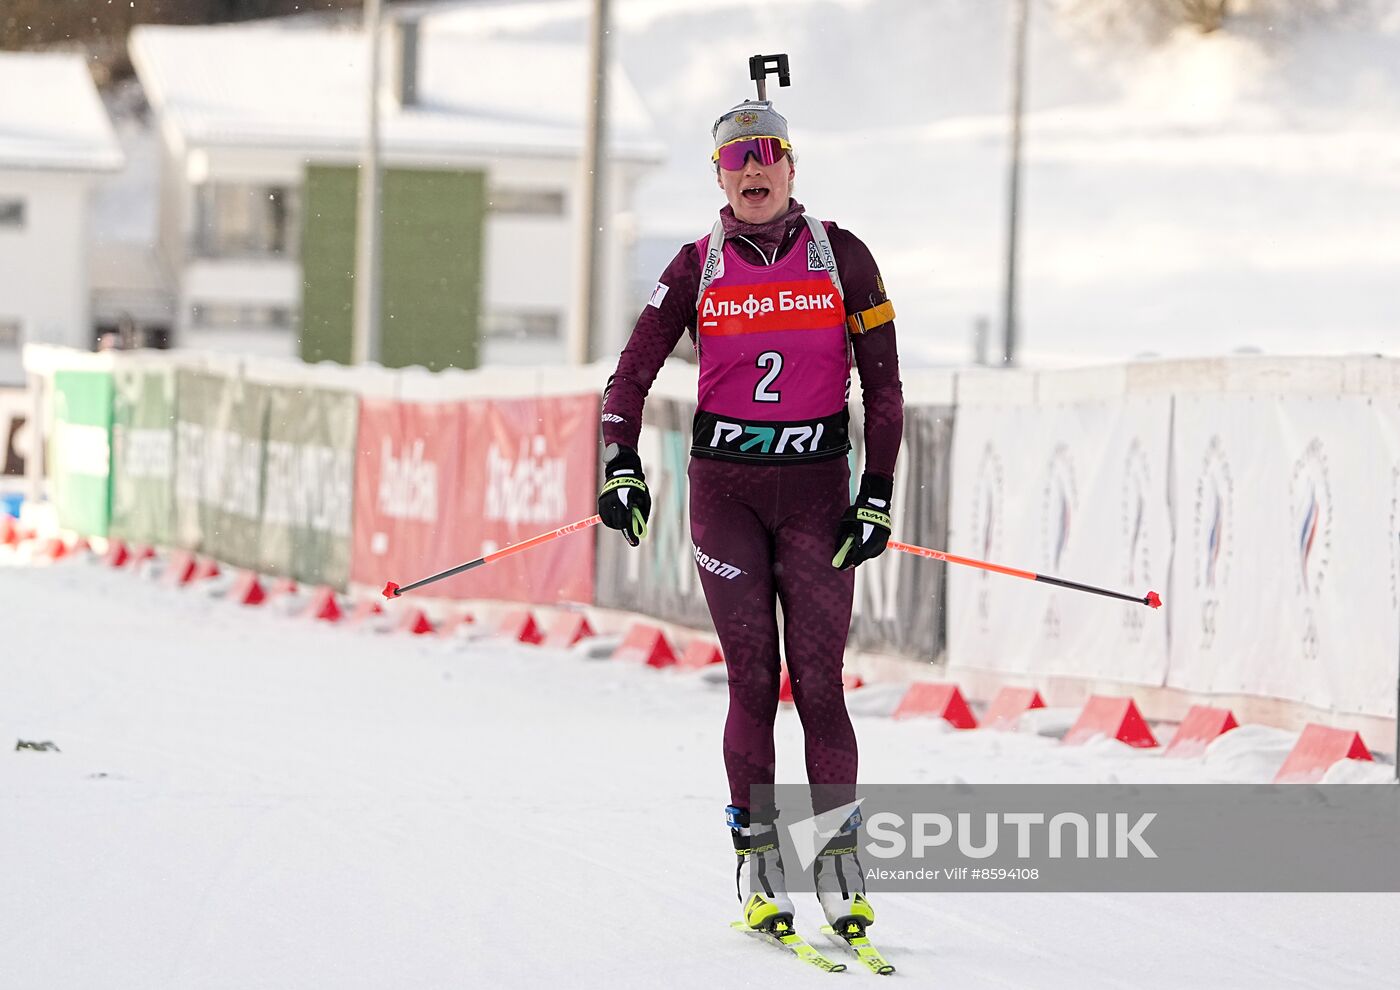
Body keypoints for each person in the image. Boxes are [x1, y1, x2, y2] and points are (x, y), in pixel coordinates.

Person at [596, 97, 904, 936]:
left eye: (769, 153)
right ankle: (760, 862)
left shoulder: (843, 258)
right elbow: (628, 377)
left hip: (815, 494)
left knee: (820, 685)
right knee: (752, 682)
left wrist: (875, 491)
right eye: (739, 159)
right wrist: (621, 465)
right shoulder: (696, 266)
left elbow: (883, 388)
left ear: (793, 166)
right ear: (721, 178)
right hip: (725, 494)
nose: (755, 168)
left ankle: (840, 867)